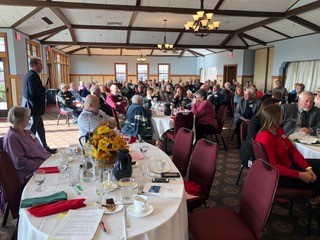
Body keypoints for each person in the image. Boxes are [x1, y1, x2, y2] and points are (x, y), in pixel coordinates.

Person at [256, 104, 320, 195]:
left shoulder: (279, 130)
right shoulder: (265, 138)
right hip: (279, 175)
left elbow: (292, 150)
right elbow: (272, 166)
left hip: (288, 165)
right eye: (281, 115)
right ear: (274, 118)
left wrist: (308, 168)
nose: (283, 117)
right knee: (317, 180)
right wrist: (300, 175)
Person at [3, 106, 51, 184]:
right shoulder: (12, 138)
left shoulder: (28, 132)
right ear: (19, 120)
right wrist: (41, 165)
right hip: (30, 174)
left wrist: (50, 158)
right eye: (27, 116)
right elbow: (20, 163)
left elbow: (40, 149)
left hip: (43, 165)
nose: (29, 118)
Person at [21, 57, 57, 154]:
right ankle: (29, 150)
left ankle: (44, 147)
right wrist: (44, 88)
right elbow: (33, 92)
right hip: (33, 107)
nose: (42, 67)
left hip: (34, 107)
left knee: (40, 128)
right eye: (40, 65)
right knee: (32, 130)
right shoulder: (32, 76)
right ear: (34, 65)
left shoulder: (31, 75)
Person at [240, 98, 279, 167]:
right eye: (276, 108)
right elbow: (252, 141)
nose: (279, 111)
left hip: (267, 150)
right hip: (252, 153)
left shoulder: (274, 122)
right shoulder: (255, 120)